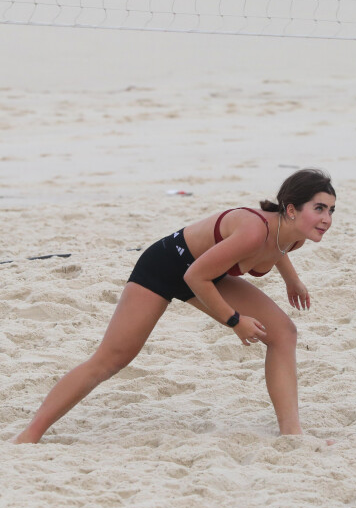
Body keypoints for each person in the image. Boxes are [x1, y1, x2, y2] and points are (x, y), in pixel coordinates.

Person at [12, 168, 336, 444]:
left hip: (208, 273)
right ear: (291, 209)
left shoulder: (295, 233)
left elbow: (277, 248)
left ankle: (292, 434)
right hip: (166, 267)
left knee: (283, 333)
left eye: (331, 211)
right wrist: (234, 321)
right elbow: (195, 276)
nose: (326, 219)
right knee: (110, 360)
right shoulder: (253, 229)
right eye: (319, 208)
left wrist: (292, 281)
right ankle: (30, 434)